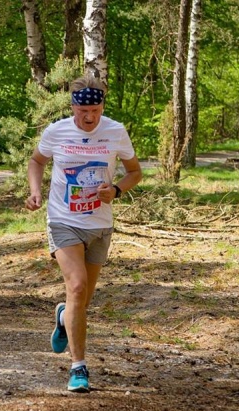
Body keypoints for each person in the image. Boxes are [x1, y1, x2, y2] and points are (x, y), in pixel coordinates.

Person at [25, 74, 142, 393]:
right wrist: (35, 191)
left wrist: (115, 190)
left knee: (82, 300)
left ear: (102, 106)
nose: (89, 118)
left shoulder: (115, 131)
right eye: (83, 111)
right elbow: (36, 161)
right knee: (76, 286)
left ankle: (65, 316)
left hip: (99, 224)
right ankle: (79, 368)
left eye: (95, 111)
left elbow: (135, 172)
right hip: (63, 219)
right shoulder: (57, 131)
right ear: (72, 107)